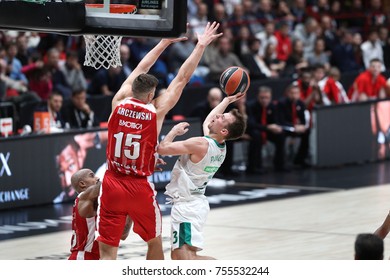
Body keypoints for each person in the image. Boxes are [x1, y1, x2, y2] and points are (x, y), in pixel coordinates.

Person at [97, 22, 223, 260]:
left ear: (132, 86)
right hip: (138, 185)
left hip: (112, 181)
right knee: (154, 244)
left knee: (107, 253)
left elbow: (142, 66)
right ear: (152, 94)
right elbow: (182, 78)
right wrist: (201, 45)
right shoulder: (155, 111)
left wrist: (164, 42)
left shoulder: (118, 100)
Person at [157, 93, 247, 260]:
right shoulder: (220, 145)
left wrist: (174, 131)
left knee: (185, 260)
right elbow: (208, 121)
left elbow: (162, 148)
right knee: (179, 258)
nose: (218, 115)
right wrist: (226, 101)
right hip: (194, 203)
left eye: (222, 118)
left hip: (187, 207)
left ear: (224, 130)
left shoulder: (200, 144)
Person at [68, 169, 131, 260]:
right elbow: (104, 185)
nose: (97, 178)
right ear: (82, 184)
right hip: (84, 257)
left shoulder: (102, 204)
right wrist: (132, 173)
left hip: (100, 257)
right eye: (92, 176)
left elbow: (123, 235)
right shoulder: (82, 197)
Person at [246, 86, 286, 173]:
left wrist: (276, 127)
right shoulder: (251, 106)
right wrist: (267, 127)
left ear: (270, 97)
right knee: (257, 135)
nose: (264, 100)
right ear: (258, 97)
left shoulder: (273, 106)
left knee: (281, 135)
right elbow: (251, 124)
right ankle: (254, 166)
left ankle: (279, 164)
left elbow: (276, 121)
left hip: (267, 130)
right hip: (254, 130)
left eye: (267, 98)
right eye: (262, 98)